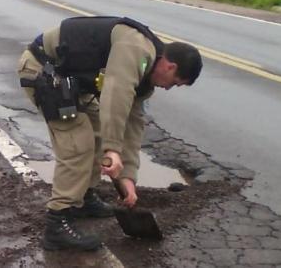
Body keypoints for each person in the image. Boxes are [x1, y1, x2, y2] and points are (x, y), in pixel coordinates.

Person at [17, 16, 202, 251]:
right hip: (43, 70)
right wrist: (112, 149)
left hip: (71, 81)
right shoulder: (137, 49)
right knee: (78, 143)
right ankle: (57, 223)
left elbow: (132, 125)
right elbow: (116, 92)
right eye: (174, 83)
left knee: (96, 131)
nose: (168, 88)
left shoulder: (146, 78)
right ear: (170, 66)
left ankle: (84, 198)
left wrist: (128, 178)